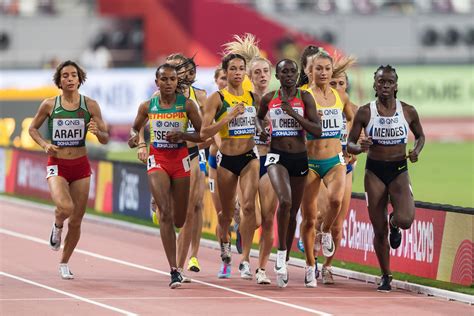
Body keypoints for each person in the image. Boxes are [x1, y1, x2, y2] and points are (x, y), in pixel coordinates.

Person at [28, 60, 109, 279]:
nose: (70, 79)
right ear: (59, 81)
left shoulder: (90, 105)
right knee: (65, 207)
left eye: (74, 75)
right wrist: (45, 144)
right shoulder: (49, 105)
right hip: (58, 164)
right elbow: (32, 128)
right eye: (65, 75)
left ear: (79, 79)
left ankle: (64, 261)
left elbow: (105, 138)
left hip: (81, 165)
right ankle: (56, 224)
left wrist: (98, 132)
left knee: (77, 220)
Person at [347, 65, 425, 292]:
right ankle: (386, 275)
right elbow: (349, 143)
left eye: (390, 82)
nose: (385, 86)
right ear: (375, 85)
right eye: (381, 82)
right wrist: (359, 146)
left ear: (396, 85)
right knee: (378, 228)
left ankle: (395, 224)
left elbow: (420, 136)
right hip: (375, 171)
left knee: (406, 219)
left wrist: (417, 151)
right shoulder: (365, 112)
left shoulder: (408, 111)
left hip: (399, 169)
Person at [129, 63, 202, 288]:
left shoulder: (188, 105)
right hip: (158, 160)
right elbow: (135, 128)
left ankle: (168, 212)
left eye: (172, 79)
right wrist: (138, 140)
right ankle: (173, 270)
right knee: (166, 214)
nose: (168, 83)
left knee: (180, 218)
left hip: (180, 162)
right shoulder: (147, 106)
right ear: (157, 82)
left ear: (176, 82)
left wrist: (183, 135)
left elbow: (203, 135)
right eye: (164, 79)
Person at [257, 59, 322, 288]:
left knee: (293, 211)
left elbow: (317, 129)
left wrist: (293, 115)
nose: (289, 75)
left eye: (292, 71)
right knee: (284, 201)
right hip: (276, 157)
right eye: (284, 72)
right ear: (278, 75)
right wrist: (262, 129)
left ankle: (285, 257)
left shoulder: (305, 98)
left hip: (300, 158)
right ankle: (281, 256)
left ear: (297, 74)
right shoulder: (269, 98)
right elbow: (258, 116)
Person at [200, 53, 259, 279]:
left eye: (240, 68)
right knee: (225, 215)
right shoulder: (217, 99)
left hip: (249, 157)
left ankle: (245, 260)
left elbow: (261, 124)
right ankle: (225, 249)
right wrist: (228, 117)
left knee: (248, 207)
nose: (237, 72)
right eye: (232, 69)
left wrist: (264, 129)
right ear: (225, 72)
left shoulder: (253, 98)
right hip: (226, 159)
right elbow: (204, 131)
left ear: (245, 72)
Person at [300, 49, 354, 284]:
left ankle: (325, 232)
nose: (323, 72)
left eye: (327, 69)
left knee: (335, 202)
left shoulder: (340, 96)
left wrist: (350, 143)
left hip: (335, 160)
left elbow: (352, 117)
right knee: (310, 218)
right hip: (310, 162)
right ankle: (311, 265)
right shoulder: (302, 96)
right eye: (318, 69)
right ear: (310, 72)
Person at [314, 64, 359, 284]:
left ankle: (327, 267)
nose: (338, 87)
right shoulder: (316, 101)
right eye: (334, 83)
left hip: (345, 166)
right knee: (322, 216)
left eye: (342, 83)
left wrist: (355, 150)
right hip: (323, 163)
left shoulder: (352, 108)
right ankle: (312, 254)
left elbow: (360, 137)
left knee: (338, 225)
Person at [248, 56, 278, 285]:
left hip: (271, 160)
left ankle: (261, 269)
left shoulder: (278, 100)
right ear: (250, 76)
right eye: (257, 72)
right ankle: (242, 228)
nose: (262, 75)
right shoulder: (244, 100)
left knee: (268, 219)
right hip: (248, 159)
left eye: (266, 71)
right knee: (254, 217)